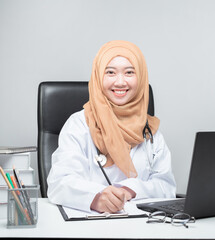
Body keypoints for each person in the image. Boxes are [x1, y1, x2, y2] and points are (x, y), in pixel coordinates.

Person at [47, 40, 176, 213]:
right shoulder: (79, 124)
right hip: (89, 228)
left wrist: (130, 189)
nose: (120, 82)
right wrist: (96, 198)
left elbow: (166, 187)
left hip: (141, 230)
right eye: (110, 72)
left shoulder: (150, 131)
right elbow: (59, 183)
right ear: (98, 77)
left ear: (141, 78)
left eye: (130, 72)